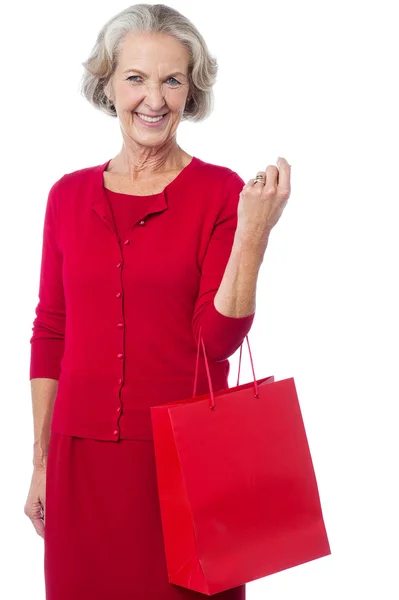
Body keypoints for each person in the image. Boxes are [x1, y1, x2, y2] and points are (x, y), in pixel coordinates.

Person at [24, 3, 291, 599]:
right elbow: (51, 331)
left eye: (172, 80)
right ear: (108, 85)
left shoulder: (221, 191)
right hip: (80, 465)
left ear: (191, 91)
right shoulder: (66, 196)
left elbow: (216, 341)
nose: (154, 98)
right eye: (136, 78)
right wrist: (40, 459)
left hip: (188, 465)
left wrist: (252, 235)